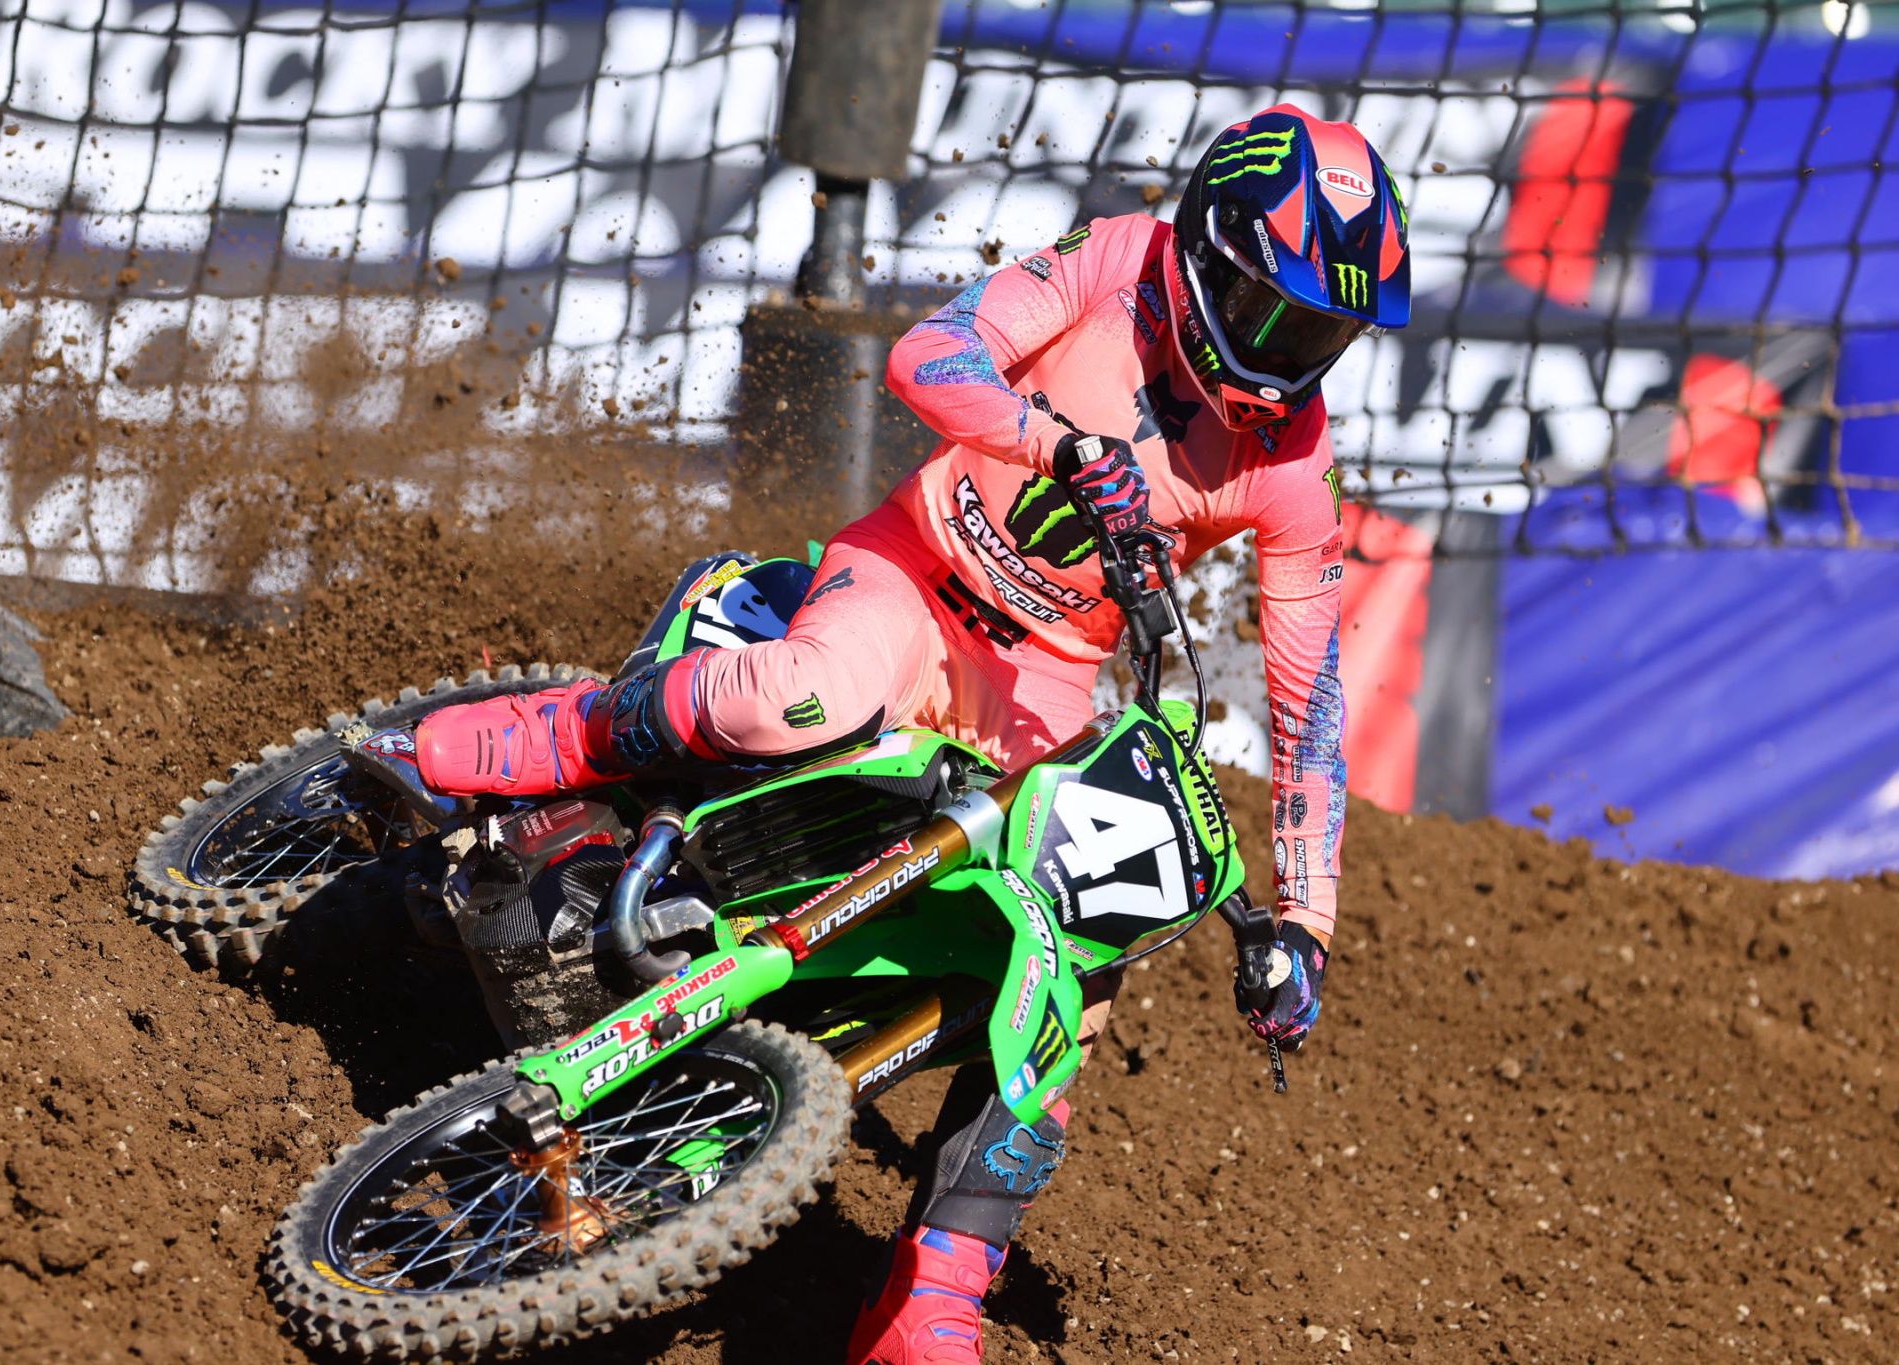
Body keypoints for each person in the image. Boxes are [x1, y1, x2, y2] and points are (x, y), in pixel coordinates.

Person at [373, 106, 1410, 1363]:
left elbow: (1308, 705)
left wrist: (1304, 924)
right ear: (1203, 253)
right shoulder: (1115, 260)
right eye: (1270, 315)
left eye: (1320, 335)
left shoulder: (1294, 462)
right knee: (800, 696)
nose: (1287, 359)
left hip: (1040, 677)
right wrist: (1054, 446)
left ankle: (932, 1296)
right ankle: (554, 736)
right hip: (911, 574)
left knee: (1082, 942)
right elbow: (930, 353)